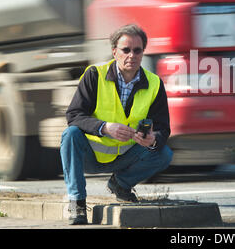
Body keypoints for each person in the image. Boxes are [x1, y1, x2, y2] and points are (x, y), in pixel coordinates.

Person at [60, 24, 173, 225]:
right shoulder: (95, 74)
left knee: (164, 153)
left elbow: (164, 127)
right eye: (126, 50)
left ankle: (121, 185)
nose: (132, 55)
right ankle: (77, 203)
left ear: (143, 52)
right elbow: (74, 115)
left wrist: (152, 139)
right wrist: (104, 127)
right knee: (70, 134)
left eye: (137, 50)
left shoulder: (154, 83)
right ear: (114, 52)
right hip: (91, 156)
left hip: (127, 157)